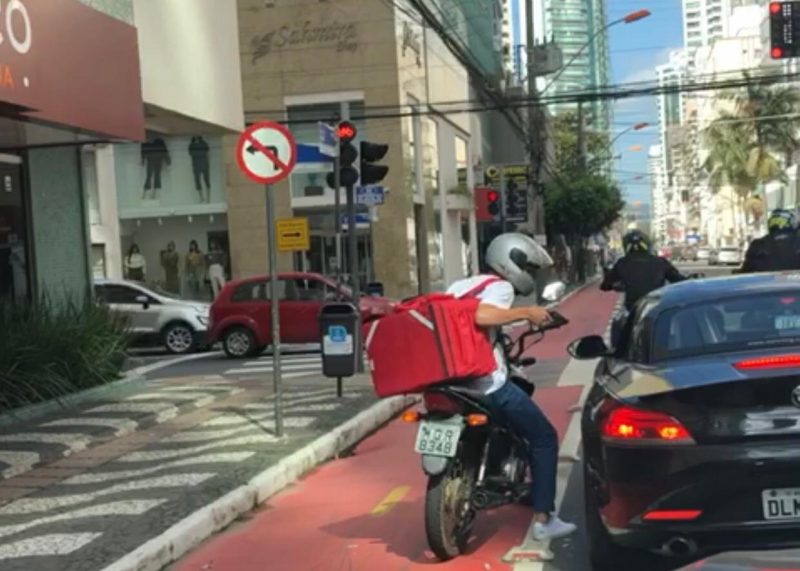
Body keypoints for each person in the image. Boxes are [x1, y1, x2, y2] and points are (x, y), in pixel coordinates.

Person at [447, 233, 577, 541]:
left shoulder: (460, 285)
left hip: (451, 380)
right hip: (486, 383)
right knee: (544, 437)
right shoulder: (500, 287)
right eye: (527, 267)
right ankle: (545, 519)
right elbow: (482, 315)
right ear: (511, 262)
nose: (529, 275)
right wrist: (526, 312)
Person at [601, 229, 686, 312]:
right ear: (648, 245)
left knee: (619, 322)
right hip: (657, 306)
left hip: (633, 308)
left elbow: (605, 285)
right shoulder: (660, 262)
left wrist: (612, 284)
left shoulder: (622, 263)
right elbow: (678, 280)